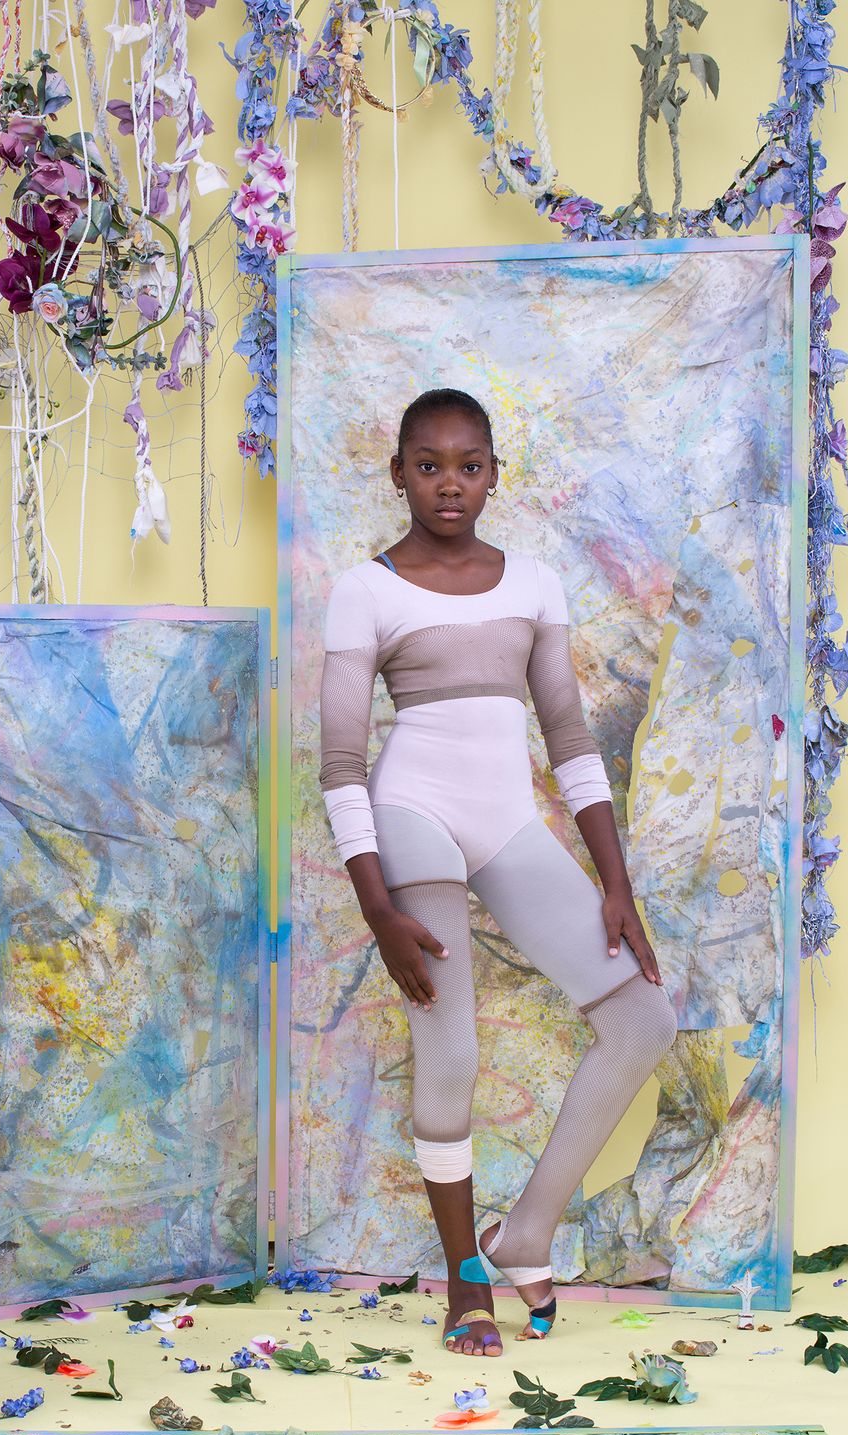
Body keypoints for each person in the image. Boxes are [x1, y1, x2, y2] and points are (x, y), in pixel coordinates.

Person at [318, 388, 678, 1355]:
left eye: (469, 465)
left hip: (508, 820)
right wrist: (378, 905)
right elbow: (342, 764)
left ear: (493, 475)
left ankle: (524, 1231)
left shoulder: (536, 585)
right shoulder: (367, 589)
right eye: (428, 465)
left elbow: (568, 736)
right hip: (412, 813)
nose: (449, 483)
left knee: (644, 1015)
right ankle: (464, 1281)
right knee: (453, 1048)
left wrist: (616, 883)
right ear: (398, 473)